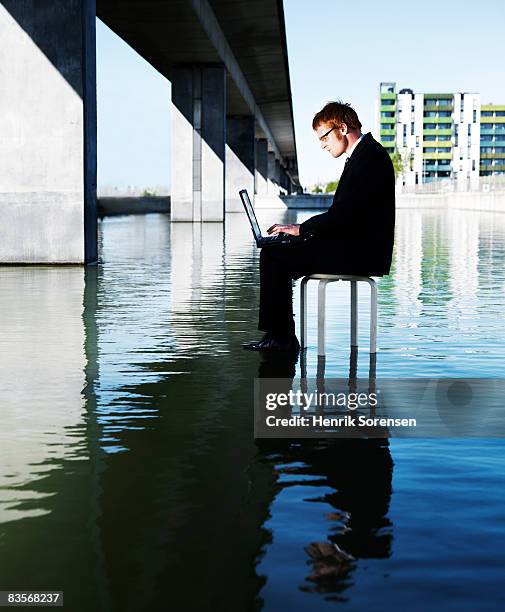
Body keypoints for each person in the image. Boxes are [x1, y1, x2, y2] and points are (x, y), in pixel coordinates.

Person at [243, 101, 395, 352]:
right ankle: (280, 334)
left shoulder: (369, 158)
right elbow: (345, 215)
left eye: (324, 137)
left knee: (274, 255)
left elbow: (344, 215)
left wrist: (301, 230)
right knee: (282, 249)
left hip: (362, 254)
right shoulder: (363, 154)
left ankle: (281, 338)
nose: (323, 145)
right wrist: (301, 233)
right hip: (354, 245)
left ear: (342, 128)